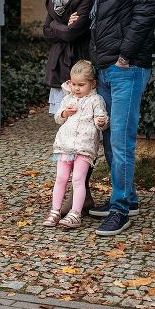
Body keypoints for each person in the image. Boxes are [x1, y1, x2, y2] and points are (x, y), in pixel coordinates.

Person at [87, 0, 155, 236]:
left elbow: (145, 16)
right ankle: (127, 198)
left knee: (121, 140)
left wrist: (123, 57)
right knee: (108, 136)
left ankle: (119, 211)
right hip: (105, 67)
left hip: (126, 68)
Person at [42, 0, 96, 212]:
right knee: (67, 133)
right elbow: (45, 29)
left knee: (82, 134)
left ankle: (81, 194)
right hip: (59, 66)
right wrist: (60, 25)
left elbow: (77, 31)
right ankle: (79, 196)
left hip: (78, 66)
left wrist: (57, 26)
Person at [42, 60, 108, 229]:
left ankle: (75, 213)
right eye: (74, 84)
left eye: (81, 84)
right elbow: (58, 118)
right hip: (65, 145)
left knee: (78, 179)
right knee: (61, 178)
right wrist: (65, 112)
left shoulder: (96, 100)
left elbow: (102, 121)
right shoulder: (68, 98)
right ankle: (55, 211)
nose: (77, 88)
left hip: (84, 148)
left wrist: (101, 121)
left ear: (92, 84)